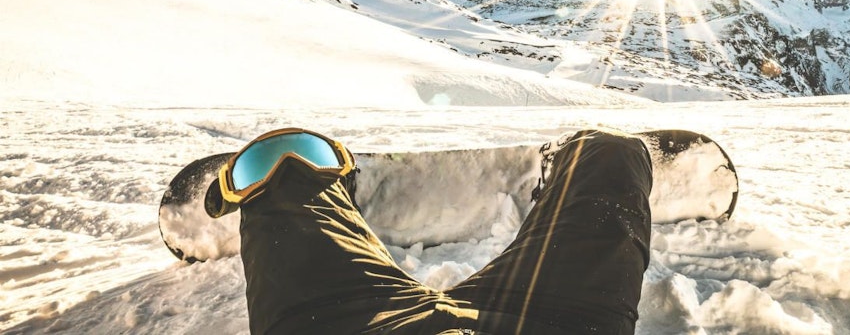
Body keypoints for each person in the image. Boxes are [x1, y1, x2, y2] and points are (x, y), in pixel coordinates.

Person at [208, 127, 653, 334]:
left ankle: (334, 187)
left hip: (347, 322)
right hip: (551, 321)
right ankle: (567, 166)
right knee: (610, 153)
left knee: (281, 166)